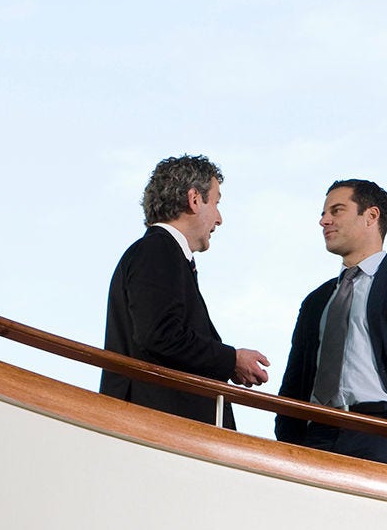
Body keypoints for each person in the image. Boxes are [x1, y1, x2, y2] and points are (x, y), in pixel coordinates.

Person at [275, 179, 387, 470]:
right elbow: (294, 381)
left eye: (336, 210)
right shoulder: (316, 301)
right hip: (315, 436)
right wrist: (290, 439)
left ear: (371, 216)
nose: (324, 221)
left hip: (383, 434)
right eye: (323, 213)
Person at [101, 154, 269, 427]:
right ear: (194, 199)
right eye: (215, 202)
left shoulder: (161, 253)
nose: (219, 218)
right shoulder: (158, 250)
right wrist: (231, 360)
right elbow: (161, 335)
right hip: (159, 426)